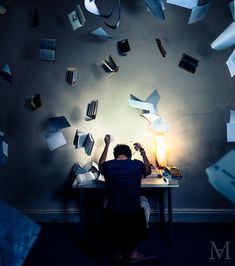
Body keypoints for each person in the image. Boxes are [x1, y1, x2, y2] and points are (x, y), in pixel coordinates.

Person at [98, 134, 152, 260]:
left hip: (114, 213)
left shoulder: (108, 166)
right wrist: (143, 151)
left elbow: (101, 164)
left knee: (107, 201)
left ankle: (117, 252)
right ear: (130, 155)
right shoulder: (137, 164)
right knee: (143, 200)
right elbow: (148, 170)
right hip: (134, 213)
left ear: (115, 156)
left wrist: (106, 144)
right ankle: (134, 251)